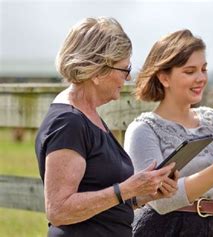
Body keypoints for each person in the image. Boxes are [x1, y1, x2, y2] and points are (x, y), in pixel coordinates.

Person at [34, 17, 179, 237]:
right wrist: (128, 188)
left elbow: (102, 202)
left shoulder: (88, 116)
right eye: (124, 68)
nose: (128, 76)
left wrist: (145, 193)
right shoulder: (68, 123)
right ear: (98, 70)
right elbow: (59, 210)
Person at [124, 29, 213, 236]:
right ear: (164, 78)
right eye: (190, 71)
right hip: (162, 230)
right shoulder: (143, 130)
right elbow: (158, 201)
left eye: (203, 69)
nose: (201, 78)